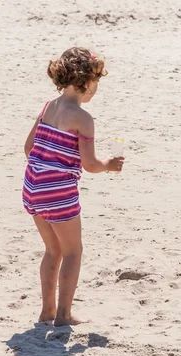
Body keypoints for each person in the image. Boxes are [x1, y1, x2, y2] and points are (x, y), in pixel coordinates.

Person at [22, 47, 124, 326]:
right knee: (72, 251)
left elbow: (29, 147)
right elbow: (90, 165)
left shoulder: (48, 107)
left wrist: (47, 166)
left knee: (52, 250)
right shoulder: (83, 119)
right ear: (88, 83)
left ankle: (46, 312)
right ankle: (64, 315)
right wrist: (109, 164)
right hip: (58, 192)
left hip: (32, 186)